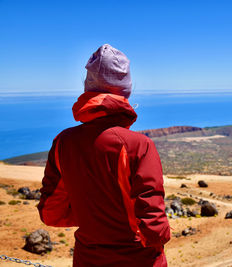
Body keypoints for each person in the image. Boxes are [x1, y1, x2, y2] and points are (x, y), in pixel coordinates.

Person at [38, 44, 171, 266]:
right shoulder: (139, 145)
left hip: (87, 259)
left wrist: (93, 219)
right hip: (139, 260)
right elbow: (154, 226)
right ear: (126, 89)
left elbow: (51, 212)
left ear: (87, 87)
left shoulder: (63, 142)